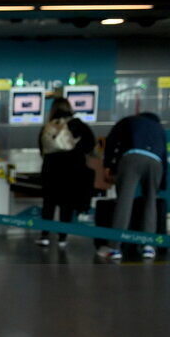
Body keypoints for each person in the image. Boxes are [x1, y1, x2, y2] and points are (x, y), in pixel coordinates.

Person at [99, 110, 167, 260]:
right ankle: (148, 247)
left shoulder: (129, 120)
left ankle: (115, 248)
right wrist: (162, 184)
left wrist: (108, 165)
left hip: (132, 157)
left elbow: (111, 140)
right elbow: (163, 156)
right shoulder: (159, 128)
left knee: (124, 201)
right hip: (155, 162)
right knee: (151, 202)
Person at [36, 97, 95, 248]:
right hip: (71, 170)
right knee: (66, 205)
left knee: (48, 203)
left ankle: (45, 236)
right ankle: (63, 237)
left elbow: (42, 148)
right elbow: (90, 144)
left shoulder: (48, 126)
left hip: (50, 169)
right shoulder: (78, 125)